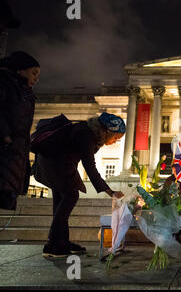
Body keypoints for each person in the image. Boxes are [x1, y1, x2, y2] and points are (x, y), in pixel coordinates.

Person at [32, 112, 126, 258]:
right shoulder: (86, 135)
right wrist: (110, 191)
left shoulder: (88, 132)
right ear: (107, 131)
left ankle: (62, 242)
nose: (115, 142)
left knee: (60, 202)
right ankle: (53, 245)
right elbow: (89, 165)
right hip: (54, 164)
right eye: (116, 137)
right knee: (71, 195)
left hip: (53, 163)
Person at [0, 51, 40, 210]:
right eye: (34, 72)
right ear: (20, 70)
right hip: (6, 151)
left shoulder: (25, 93)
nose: (36, 78)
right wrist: (6, 136)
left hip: (14, 154)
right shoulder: (6, 86)